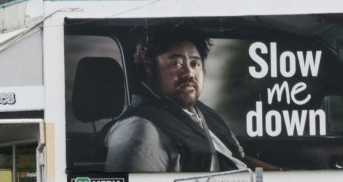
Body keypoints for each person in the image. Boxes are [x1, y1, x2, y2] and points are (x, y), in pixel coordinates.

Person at [103, 23, 251, 173]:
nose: (189, 73)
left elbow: (240, 160)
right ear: (148, 69)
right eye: (176, 63)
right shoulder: (140, 129)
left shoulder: (204, 114)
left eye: (195, 63)